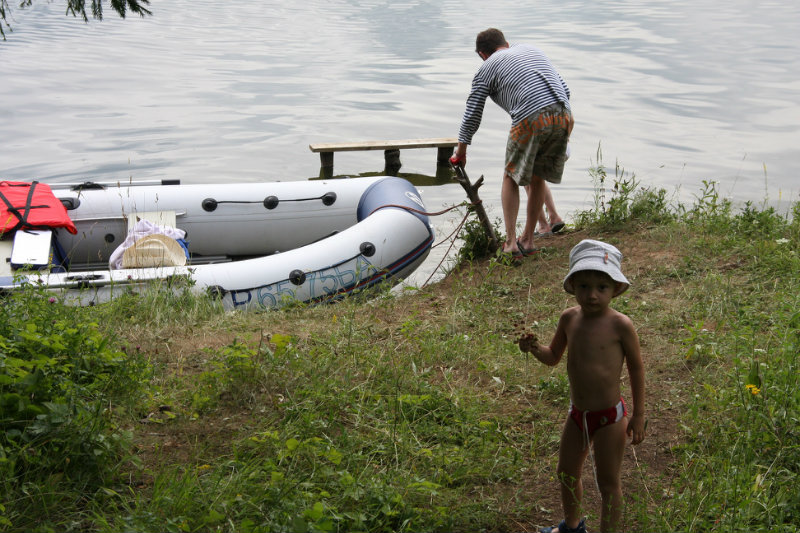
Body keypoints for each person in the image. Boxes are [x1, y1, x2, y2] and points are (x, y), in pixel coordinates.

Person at [518, 239, 646, 533]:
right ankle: (572, 527)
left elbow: (637, 368)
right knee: (566, 473)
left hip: (609, 418)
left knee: (608, 483)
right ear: (573, 285)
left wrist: (638, 414)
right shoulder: (568, 319)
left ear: (615, 288)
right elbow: (552, 357)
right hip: (578, 415)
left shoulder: (620, 325)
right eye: (584, 286)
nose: (591, 295)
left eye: (601, 287)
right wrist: (534, 347)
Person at [451, 28, 573, 258]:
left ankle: (510, 243)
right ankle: (528, 239)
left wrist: (461, 151)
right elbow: (565, 89)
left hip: (531, 116)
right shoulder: (531, 49)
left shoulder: (486, 67)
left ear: (482, 54)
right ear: (505, 43)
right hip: (564, 113)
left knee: (510, 176)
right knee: (537, 176)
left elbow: (472, 113)